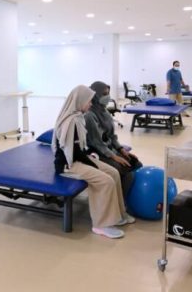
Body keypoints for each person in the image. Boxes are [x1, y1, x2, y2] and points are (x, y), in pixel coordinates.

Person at [52, 85, 134, 239]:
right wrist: (93, 164)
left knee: (113, 173)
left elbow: (81, 148)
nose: (90, 104)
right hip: (69, 164)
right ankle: (101, 224)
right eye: (88, 101)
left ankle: (118, 215)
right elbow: (72, 154)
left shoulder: (79, 118)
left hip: (78, 158)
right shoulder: (71, 122)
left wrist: (91, 155)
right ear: (80, 101)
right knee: (105, 181)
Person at [85, 81, 143, 197]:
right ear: (95, 95)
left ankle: (124, 196)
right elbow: (97, 143)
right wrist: (114, 156)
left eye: (108, 93)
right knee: (124, 170)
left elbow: (112, 136)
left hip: (108, 148)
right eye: (104, 94)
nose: (107, 97)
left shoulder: (105, 111)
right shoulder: (89, 115)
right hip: (96, 152)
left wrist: (121, 150)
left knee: (136, 163)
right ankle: (119, 201)